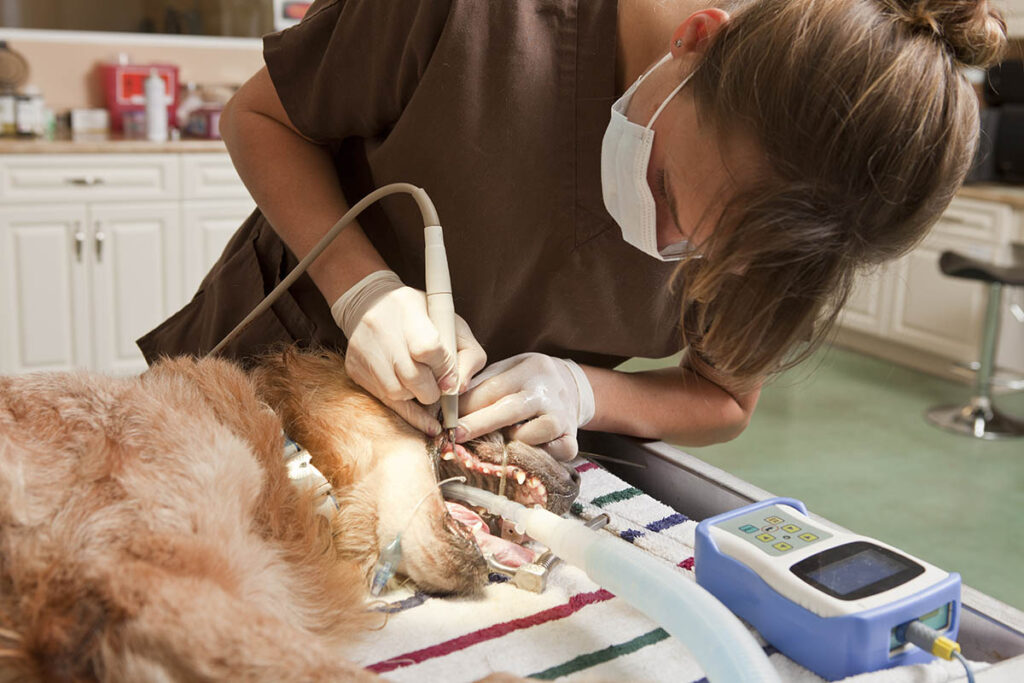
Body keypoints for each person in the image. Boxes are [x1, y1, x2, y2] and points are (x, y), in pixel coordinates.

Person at [138, 0, 1006, 461]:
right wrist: (360, 288)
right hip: (259, 369)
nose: (664, 245)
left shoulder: (796, 220)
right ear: (696, 42)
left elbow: (725, 396)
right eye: (668, 188)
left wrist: (584, 392)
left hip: (449, 463)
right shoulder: (477, 16)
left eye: (707, 255)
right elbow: (259, 117)